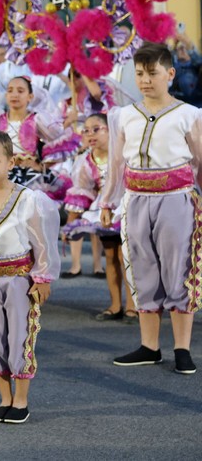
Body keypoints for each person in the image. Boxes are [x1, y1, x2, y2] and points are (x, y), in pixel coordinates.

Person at [100, 43, 201, 375]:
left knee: (180, 269)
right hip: (136, 198)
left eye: (152, 73)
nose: (145, 80)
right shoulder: (123, 115)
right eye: (139, 74)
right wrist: (108, 200)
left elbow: (200, 162)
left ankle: (183, 348)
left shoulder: (190, 115)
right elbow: (116, 164)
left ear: (170, 74)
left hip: (177, 198)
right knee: (142, 269)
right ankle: (150, 346)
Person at [0, 130, 60, 424]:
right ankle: (4, 397)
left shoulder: (28, 199)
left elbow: (42, 242)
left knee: (20, 336)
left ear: (11, 161)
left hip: (19, 278)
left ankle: (21, 400)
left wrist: (43, 277)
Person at [64, 114, 132, 319]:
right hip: (104, 213)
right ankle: (115, 305)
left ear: (110, 130)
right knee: (110, 255)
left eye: (96, 129)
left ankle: (133, 306)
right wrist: (71, 223)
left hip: (127, 208)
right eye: (86, 130)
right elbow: (82, 191)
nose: (90, 134)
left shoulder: (124, 154)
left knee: (126, 258)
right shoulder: (85, 161)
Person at [0, 76, 80, 200]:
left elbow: (57, 138)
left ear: (30, 97)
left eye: (20, 91)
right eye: (10, 90)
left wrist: (42, 166)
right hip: (3, 173)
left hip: (30, 174)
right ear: (6, 95)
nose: (14, 95)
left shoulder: (37, 119)